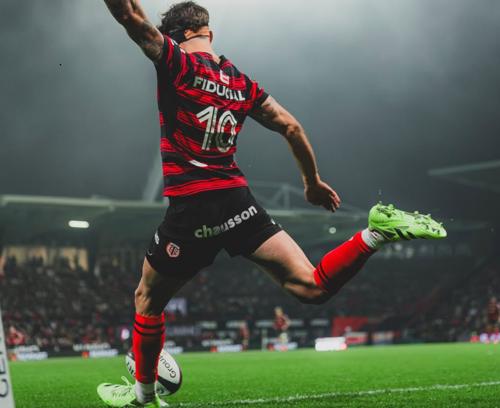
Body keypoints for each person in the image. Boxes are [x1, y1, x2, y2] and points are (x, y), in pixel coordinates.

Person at [98, 1, 447, 406]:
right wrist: (312, 183)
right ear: (208, 32)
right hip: (237, 203)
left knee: (147, 299)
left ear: (181, 35)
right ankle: (375, 234)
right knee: (311, 286)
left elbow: (129, 16)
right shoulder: (241, 83)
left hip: (193, 206)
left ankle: (142, 396)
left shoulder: (178, 63)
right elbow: (291, 126)